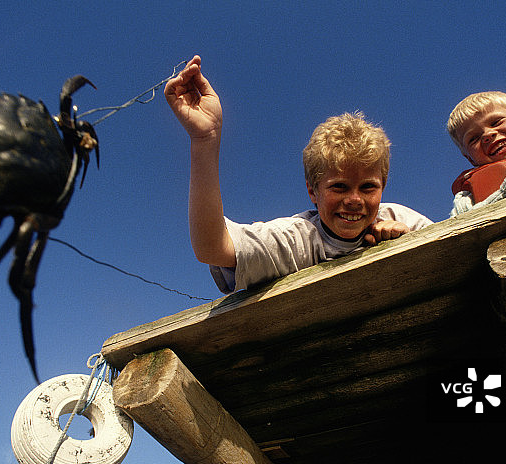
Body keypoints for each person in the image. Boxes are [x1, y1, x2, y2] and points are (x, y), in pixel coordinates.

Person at [165, 56, 432, 293]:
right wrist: (205, 139)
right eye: (339, 187)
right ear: (312, 192)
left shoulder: (400, 219)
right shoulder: (298, 239)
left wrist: (410, 243)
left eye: (367, 188)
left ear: (383, 186)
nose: (354, 199)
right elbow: (212, 247)